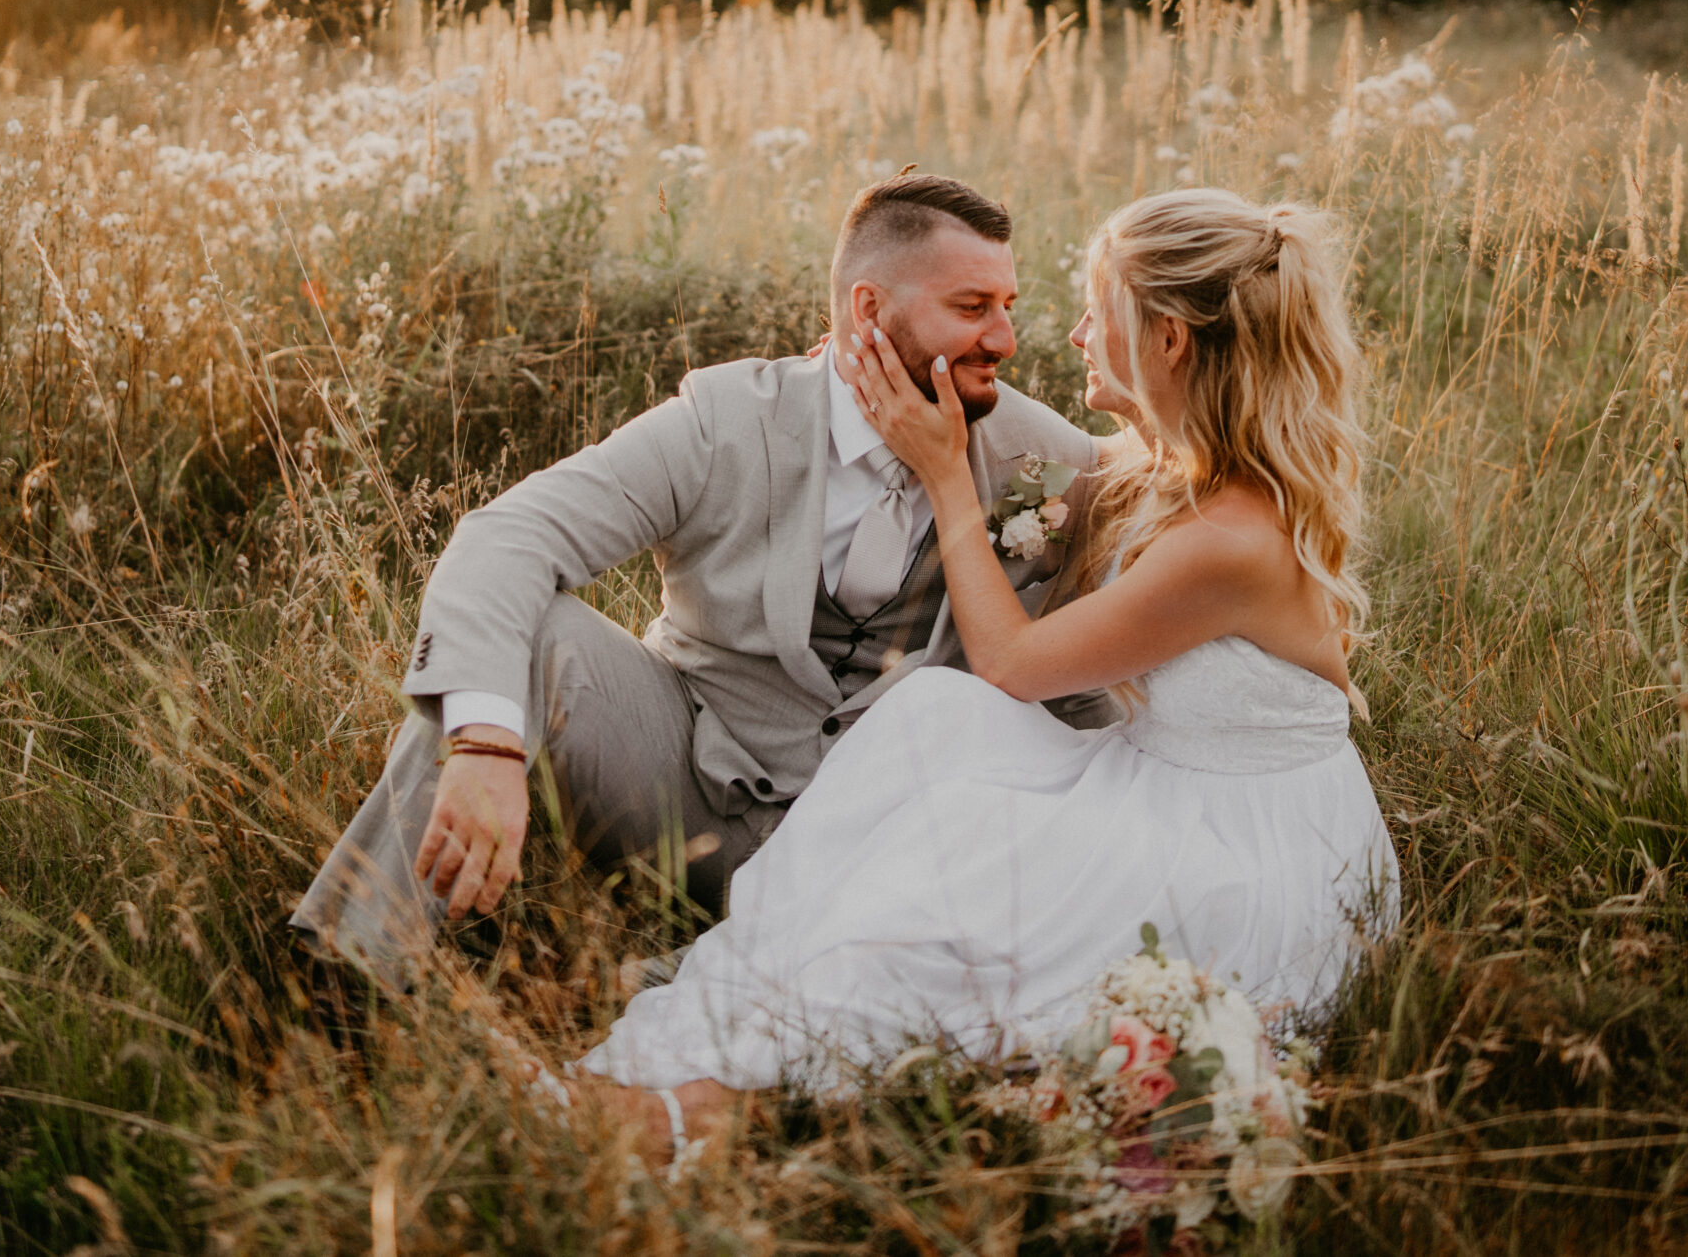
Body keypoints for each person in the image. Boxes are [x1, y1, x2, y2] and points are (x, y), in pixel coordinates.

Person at [578, 189, 1400, 1156]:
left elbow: (1010, 663)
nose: (1075, 333)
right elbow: (1070, 476)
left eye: (1100, 309)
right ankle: (747, 1014)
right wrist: (853, 381)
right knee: (935, 731)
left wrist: (944, 475)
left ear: (1171, 339)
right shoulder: (1180, 466)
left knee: (952, 910)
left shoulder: (1230, 541)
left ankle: (715, 1097)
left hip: (1242, 849)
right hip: (1170, 786)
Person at [290, 173, 1117, 978]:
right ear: (868, 308)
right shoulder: (728, 423)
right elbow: (512, 535)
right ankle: (348, 970)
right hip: (687, 795)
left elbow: (1078, 675)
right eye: (971, 308)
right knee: (536, 635)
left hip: (887, 853)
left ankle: (660, 983)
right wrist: (485, 742)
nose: (1005, 339)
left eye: (1008, 306)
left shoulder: (1042, 460)